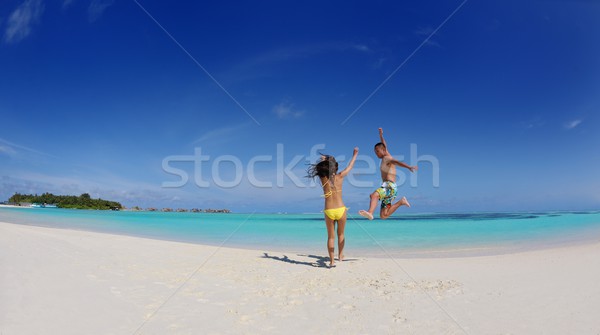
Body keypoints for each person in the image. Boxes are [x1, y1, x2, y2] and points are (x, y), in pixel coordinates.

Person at [307, 147, 358, 267]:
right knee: (341, 234)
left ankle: (332, 261)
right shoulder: (340, 177)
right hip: (341, 209)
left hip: (329, 210)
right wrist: (355, 154)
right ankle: (340, 256)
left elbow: (322, 167)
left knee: (331, 237)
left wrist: (324, 159)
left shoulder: (323, 178)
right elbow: (350, 166)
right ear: (335, 168)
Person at [359, 128, 417, 220]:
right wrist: (381, 135)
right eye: (375, 152)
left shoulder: (387, 158)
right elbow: (384, 145)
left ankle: (370, 212)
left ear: (383, 150)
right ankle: (401, 202)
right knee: (383, 215)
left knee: (374, 195)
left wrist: (408, 167)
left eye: (377, 151)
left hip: (389, 186)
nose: (376, 154)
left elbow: (397, 162)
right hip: (391, 189)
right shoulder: (385, 156)